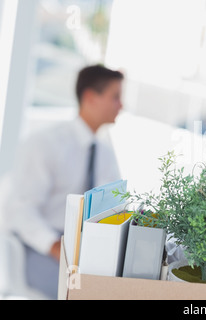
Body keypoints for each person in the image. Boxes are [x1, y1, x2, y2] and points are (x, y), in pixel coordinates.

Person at [3, 65, 124, 299]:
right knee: (84, 292)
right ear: (90, 97)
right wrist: (57, 248)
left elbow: (113, 208)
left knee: (114, 289)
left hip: (78, 251)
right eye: (115, 97)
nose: (121, 105)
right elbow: (20, 211)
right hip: (39, 248)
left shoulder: (105, 154)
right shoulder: (45, 144)